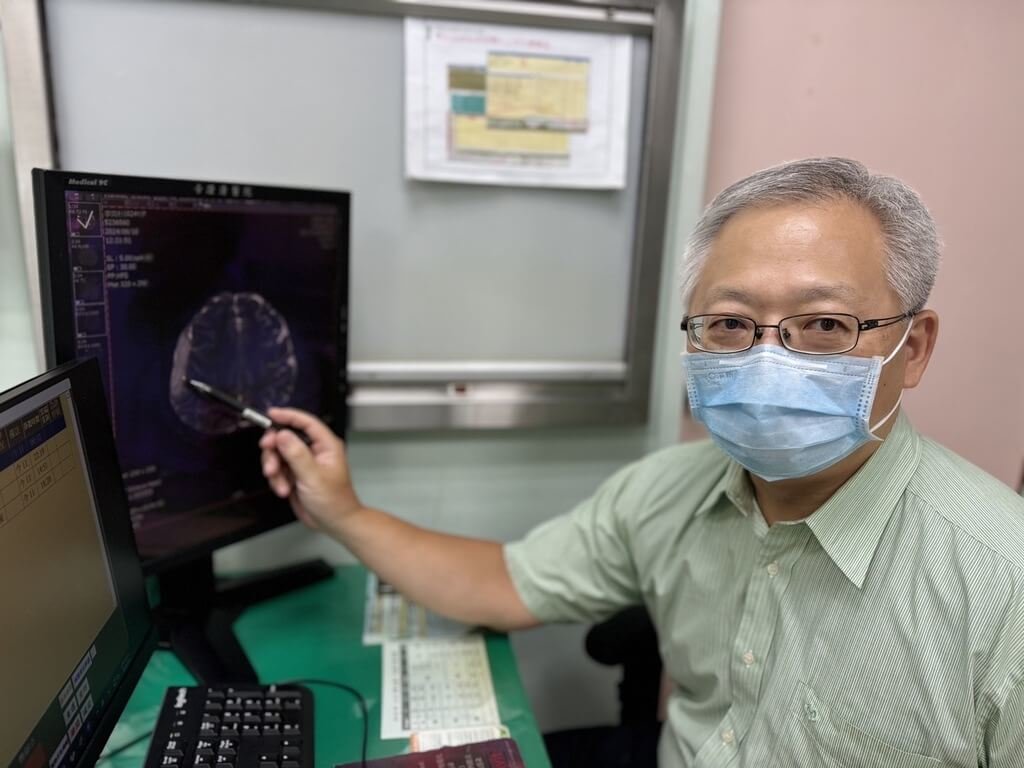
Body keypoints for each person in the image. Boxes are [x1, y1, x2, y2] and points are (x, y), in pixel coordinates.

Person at [260, 157, 1024, 767]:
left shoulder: (1004, 590)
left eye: (824, 324)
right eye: (730, 324)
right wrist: (344, 513)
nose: (767, 360)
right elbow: (502, 585)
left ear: (913, 348)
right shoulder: (668, 491)